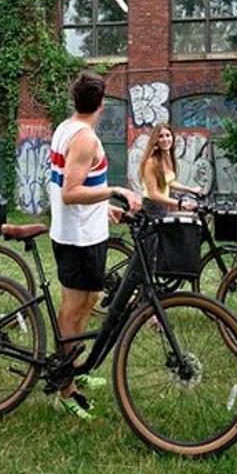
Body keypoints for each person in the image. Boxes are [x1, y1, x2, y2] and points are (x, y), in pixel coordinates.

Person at [48, 70, 142, 420]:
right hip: (77, 239)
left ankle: (76, 367)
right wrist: (116, 191)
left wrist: (104, 209)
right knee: (72, 312)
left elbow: (78, 184)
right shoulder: (84, 137)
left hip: (88, 232)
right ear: (101, 104)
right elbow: (70, 192)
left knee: (87, 303)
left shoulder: (66, 128)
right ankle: (65, 387)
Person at [138, 122, 202, 213]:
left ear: (172, 137)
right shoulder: (151, 162)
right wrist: (180, 204)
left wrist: (190, 189)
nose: (165, 139)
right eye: (161, 136)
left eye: (168, 135)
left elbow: (169, 181)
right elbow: (153, 194)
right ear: (155, 140)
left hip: (163, 206)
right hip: (152, 207)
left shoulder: (168, 159)